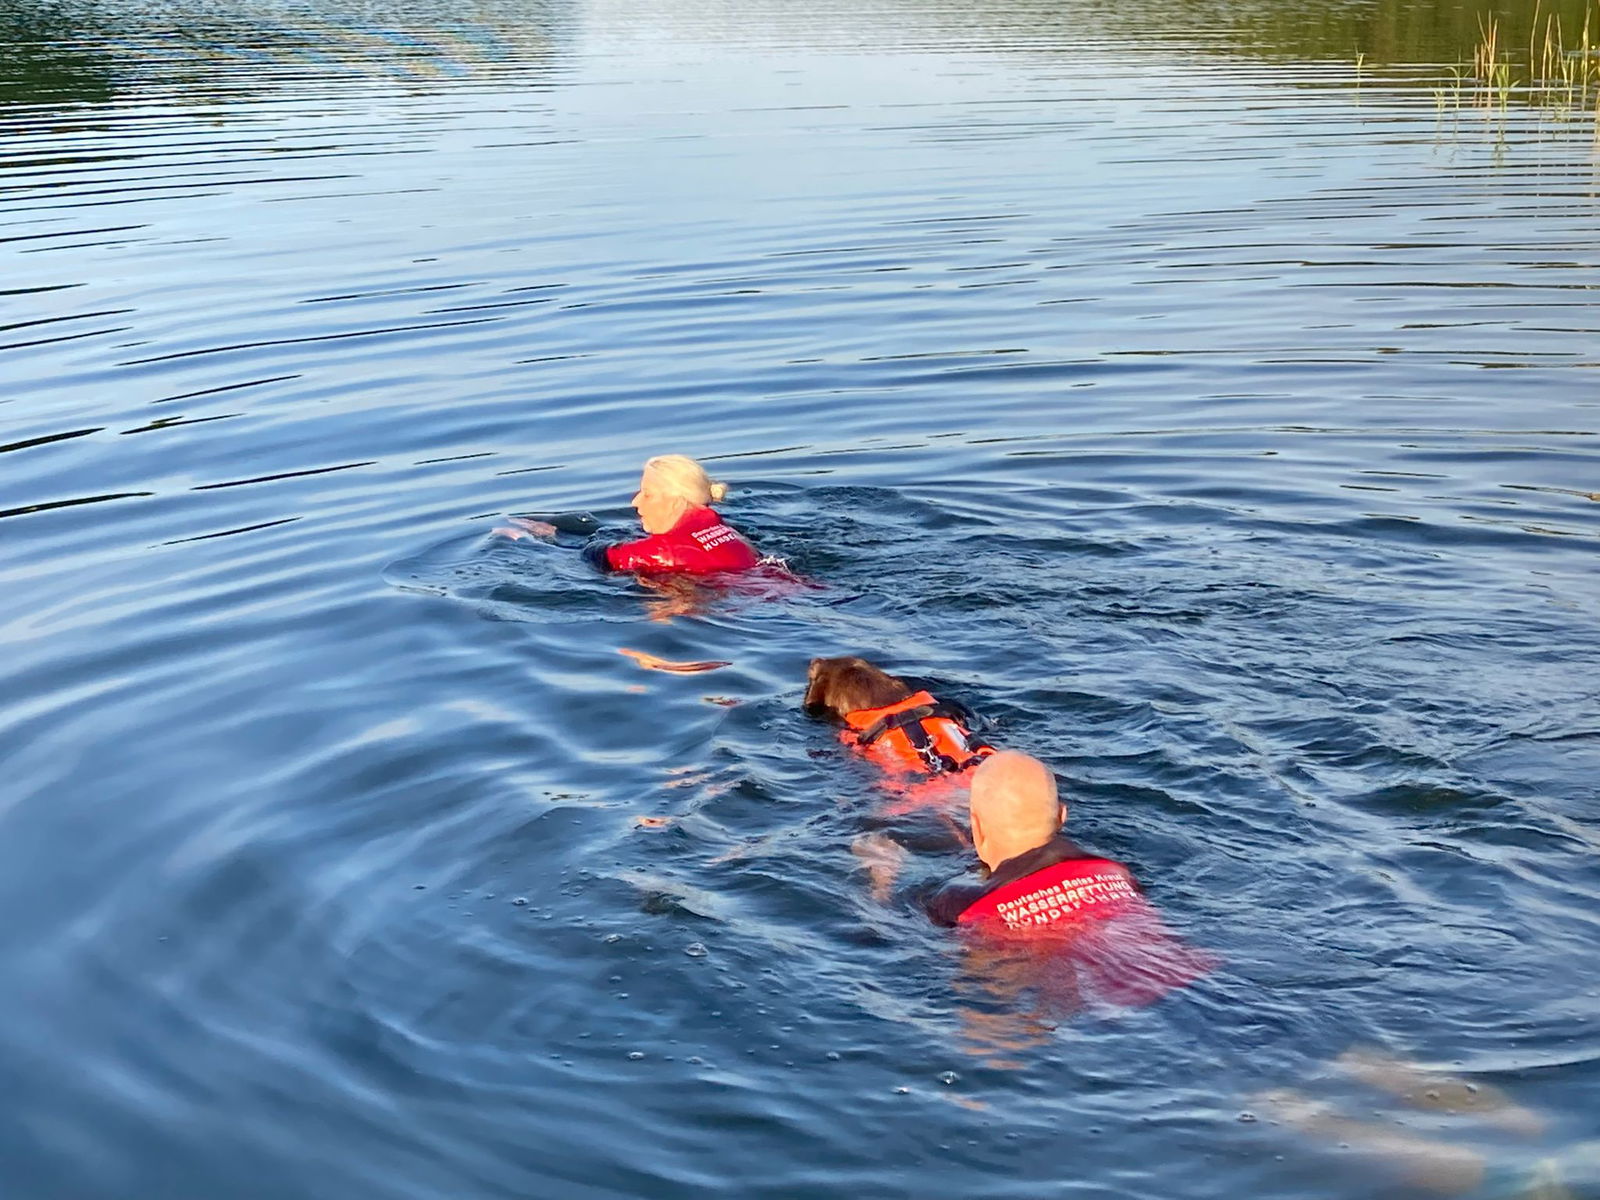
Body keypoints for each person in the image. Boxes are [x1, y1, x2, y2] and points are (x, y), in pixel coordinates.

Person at [496, 454, 760, 576]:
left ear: (675, 500)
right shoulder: (725, 530)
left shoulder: (661, 550)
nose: (635, 501)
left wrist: (528, 541)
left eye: (647, 493)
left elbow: (594, 556)